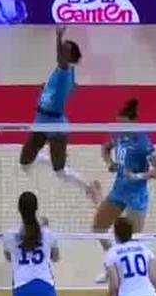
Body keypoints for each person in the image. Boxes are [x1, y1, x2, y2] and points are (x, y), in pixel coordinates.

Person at [20, 26, 100, 203]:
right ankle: (51, 157)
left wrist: (58, 36)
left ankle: (89, 188)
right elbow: (62, 87)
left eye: (66, 49)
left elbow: (60, 58)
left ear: (70, 57)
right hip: (41, 119)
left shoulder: (65, 70)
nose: (62, 49)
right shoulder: (63, 70)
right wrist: (46, 91)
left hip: (56, 125)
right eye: (63, 47)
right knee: (25, 162)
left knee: (60, 171)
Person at [91, 98, 156, 283]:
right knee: (98, 228)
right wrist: (109, 163)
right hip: (119, 191)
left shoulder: (143, 142)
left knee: (131, 241)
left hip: (136, 196)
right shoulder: (118, 135)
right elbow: (105, 148)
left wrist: (139, 176)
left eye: (123, 124)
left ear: (133, 123)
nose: (119, 128)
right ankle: (112, 266)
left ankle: (133, 275)